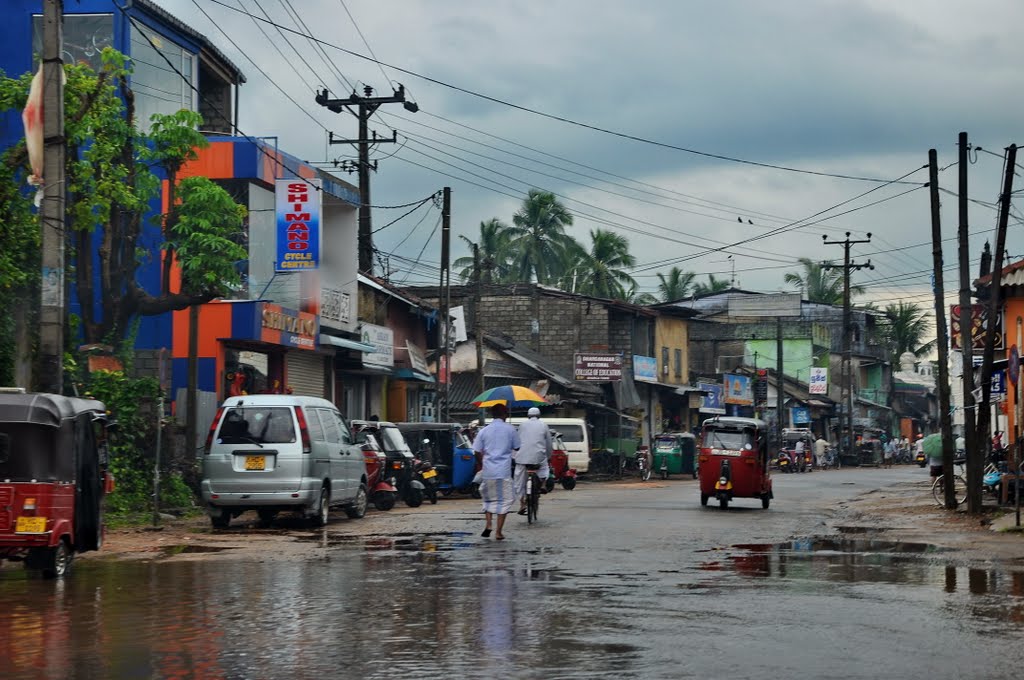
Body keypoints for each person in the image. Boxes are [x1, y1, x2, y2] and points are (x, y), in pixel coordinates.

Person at [472, 403, 520, 540]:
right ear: (505, 414)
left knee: (488, 498)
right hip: (503, 470)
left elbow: (476, 450)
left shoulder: (484, 431)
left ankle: (488, 525)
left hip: (488, 470)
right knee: (504, 500)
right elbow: (517, 447)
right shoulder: (510, 430)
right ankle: (498, 532)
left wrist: (482, 463)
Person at [514, 407, 552, 515]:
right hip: (538, 457)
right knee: (544, 466)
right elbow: (548, 443)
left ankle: (522, 503)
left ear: (528, 415)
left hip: (522, 457)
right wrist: (548, 456)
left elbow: (517, 441)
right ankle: (543, 484)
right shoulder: (543, 425)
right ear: (539, 415)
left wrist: (515, 455)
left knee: (519, 480)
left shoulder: (522, 425)